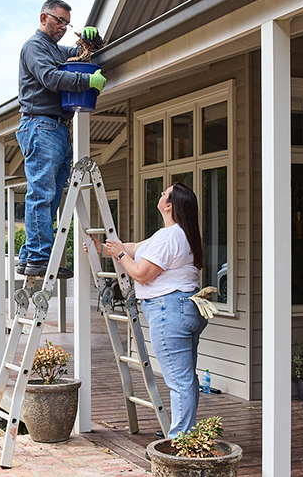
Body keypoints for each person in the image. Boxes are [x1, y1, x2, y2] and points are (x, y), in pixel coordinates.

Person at [93, 183, 208, 438]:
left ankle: (179, 441)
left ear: (169, 205)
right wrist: (103, 247)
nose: (160, 194)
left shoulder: (169, 237)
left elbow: (141, 274)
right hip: (185, 308)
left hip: (170, 311)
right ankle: (184, 433)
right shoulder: (178, 233)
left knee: (179, 381)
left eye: (164, 193)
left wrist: (120, 255)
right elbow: (136, 248)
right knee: (186, 378)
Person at [16, 0, 106, 278]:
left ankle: (30, 255)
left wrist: (94, 40)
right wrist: (86, 82)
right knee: (41, 194)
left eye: (67, 23)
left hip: (55, 128)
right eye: (59, 21)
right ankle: (41, 257)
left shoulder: (55, 49)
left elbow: (79, 54)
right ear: (43, 18)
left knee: (51, 195)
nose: (63, 27)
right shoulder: (35, 47)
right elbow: (51, 78)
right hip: (40, 125)